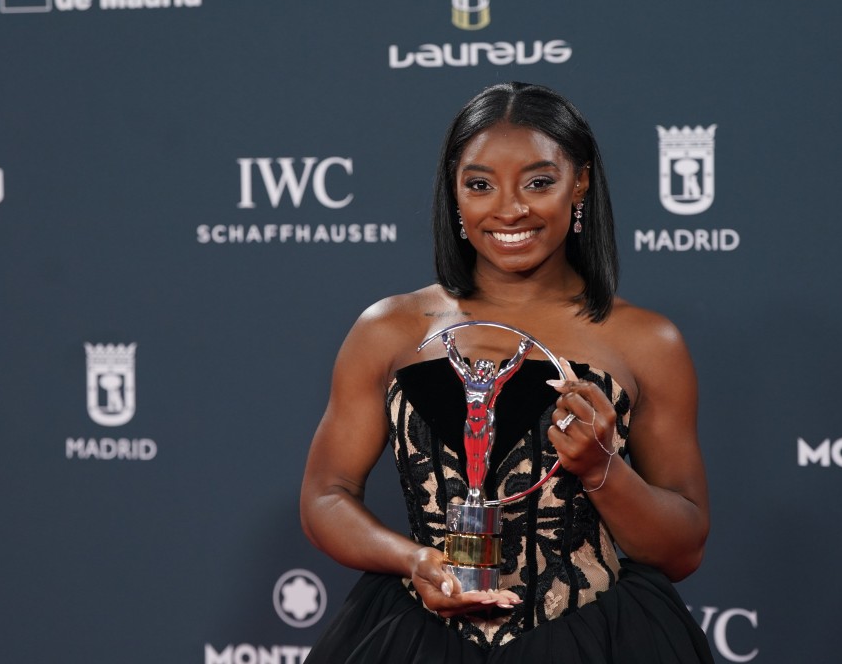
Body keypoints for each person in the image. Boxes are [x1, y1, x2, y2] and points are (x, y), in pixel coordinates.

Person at [299, 82, 712, 663]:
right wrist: (413, 559)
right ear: (454, 193)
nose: (509, 208)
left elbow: (682, 549)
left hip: (599, 639)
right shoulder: (388, 329)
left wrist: (601, 468)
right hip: (416, 638)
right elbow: (326, 495)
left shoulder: (646, 341)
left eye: (539, 182)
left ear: (582, 183)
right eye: (479, 184)